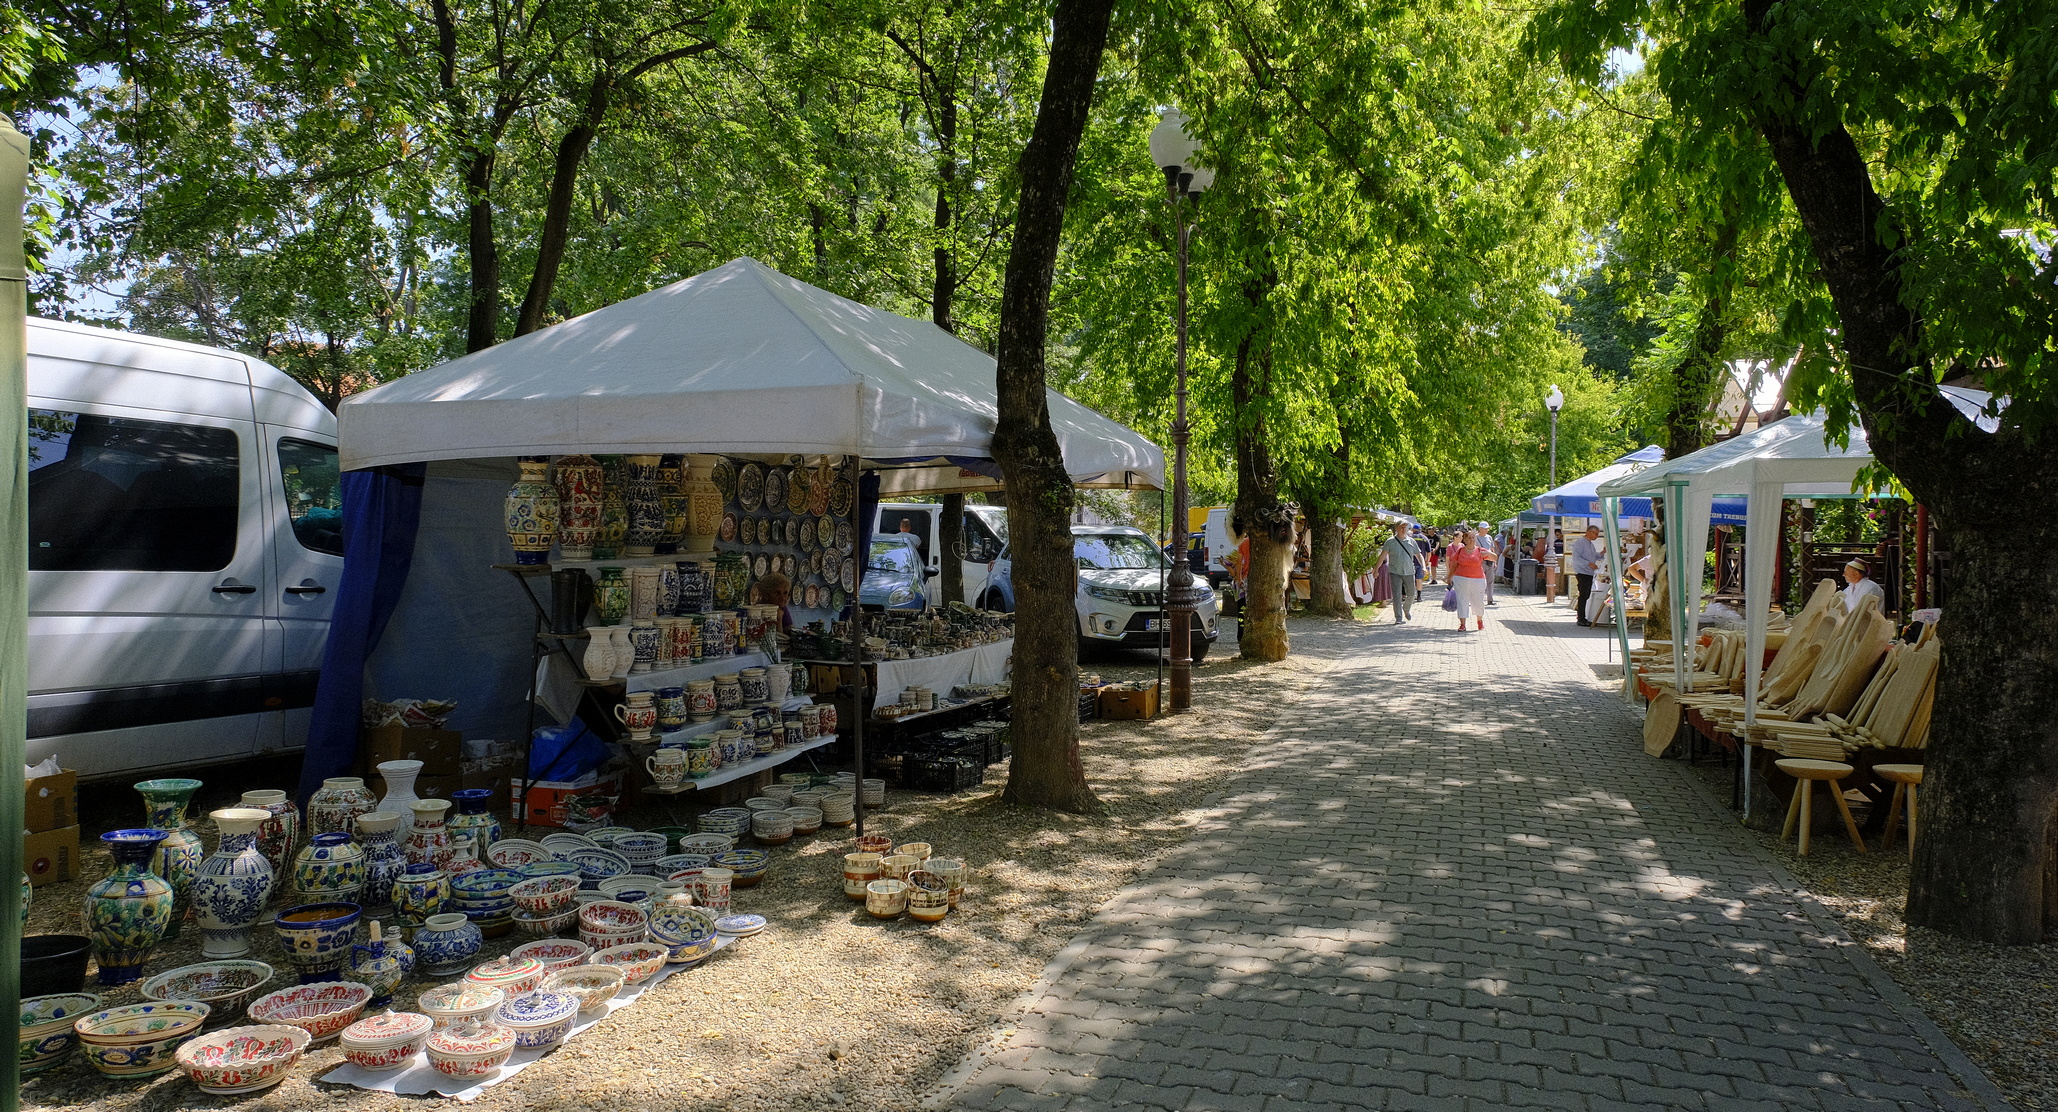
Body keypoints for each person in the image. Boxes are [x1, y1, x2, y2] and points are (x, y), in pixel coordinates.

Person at [1446, 528, 1489, 631]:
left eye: (1473, 538)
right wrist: (1449, 577)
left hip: (1478, 579)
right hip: (1461, 579)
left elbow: (1494, 558)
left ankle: (1479, 620)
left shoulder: (1480, 550)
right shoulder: (1460, 551)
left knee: (1478, 601)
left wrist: (1491, 554)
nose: (1471, 540)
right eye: (1469, 538)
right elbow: (1454, 565)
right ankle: (1462, 624)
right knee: (1462, 601)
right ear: (1464, 539)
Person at [1382, 522, 1419, 624]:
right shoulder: (1390, 542)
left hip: (1409, 571)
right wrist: (1376, 569)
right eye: (1401, 527)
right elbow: (1383, 555)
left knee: (1411, 594)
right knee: (1397, 595)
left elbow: (1418, 555)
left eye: (1405, 527)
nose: (1403, 529)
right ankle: (1398, 617)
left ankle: (1406, 609)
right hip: (1395, 571)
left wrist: (1424, 567)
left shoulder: (1411, 541)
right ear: (1397, 528)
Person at [1570, 525, 1603, 625]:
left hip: (1588, 572)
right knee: (1583, 594)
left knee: (1586, 594)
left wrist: (1602, 553)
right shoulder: (1580, 542)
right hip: (1582, 571)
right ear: (1589, 532)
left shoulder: (1590, 544)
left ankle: (1582, 616)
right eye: (1596, 534)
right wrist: (1589, 564)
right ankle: (1581, 618)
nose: (1597, 536)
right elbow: (1576, 557)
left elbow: (1593, 556)